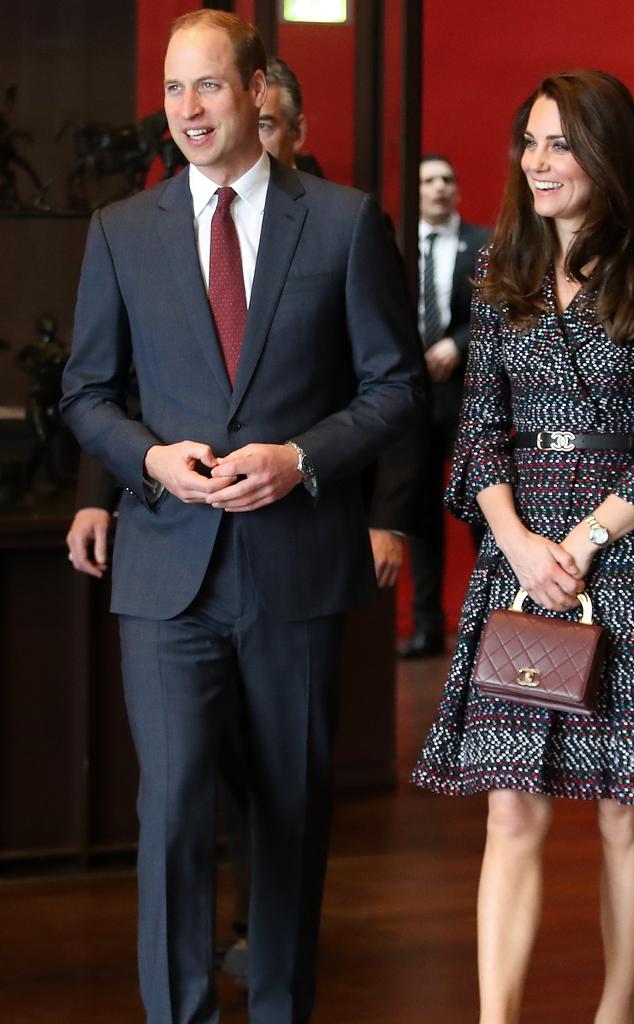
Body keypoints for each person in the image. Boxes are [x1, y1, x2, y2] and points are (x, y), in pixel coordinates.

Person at [60, 11, 423, 1024]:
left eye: (209, 86)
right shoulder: (121, 232)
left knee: (291, 815)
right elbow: (87, 391)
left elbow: (396, 390)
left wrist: (302, 457)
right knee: (172, 810)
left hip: (295, 568)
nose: (187, 110)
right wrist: (148, 459)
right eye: (174, 90)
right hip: (167, 572)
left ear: (258, 89)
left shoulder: (346, 223)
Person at [411, 70, 634, 1024]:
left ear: (605, 151)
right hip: (523, 564)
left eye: (560, 143)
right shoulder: (501, 269)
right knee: (511, 805)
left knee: (620, 812)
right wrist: (518, 539)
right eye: (530, 141)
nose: (539, 161)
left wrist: (588, 535)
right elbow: (477, 430)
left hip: (627, 560)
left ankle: (610, 1015)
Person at [398, 155, 490, 659]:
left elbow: (501, 311)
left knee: (485, 511)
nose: (438, 188)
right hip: (411, 400)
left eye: (446, 180)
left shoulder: (483, 243)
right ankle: (427, 627)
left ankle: (488, 625)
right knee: (420, 521)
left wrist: (459, 343)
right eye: (427, 180)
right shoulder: (392, 245)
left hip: (467, 396)